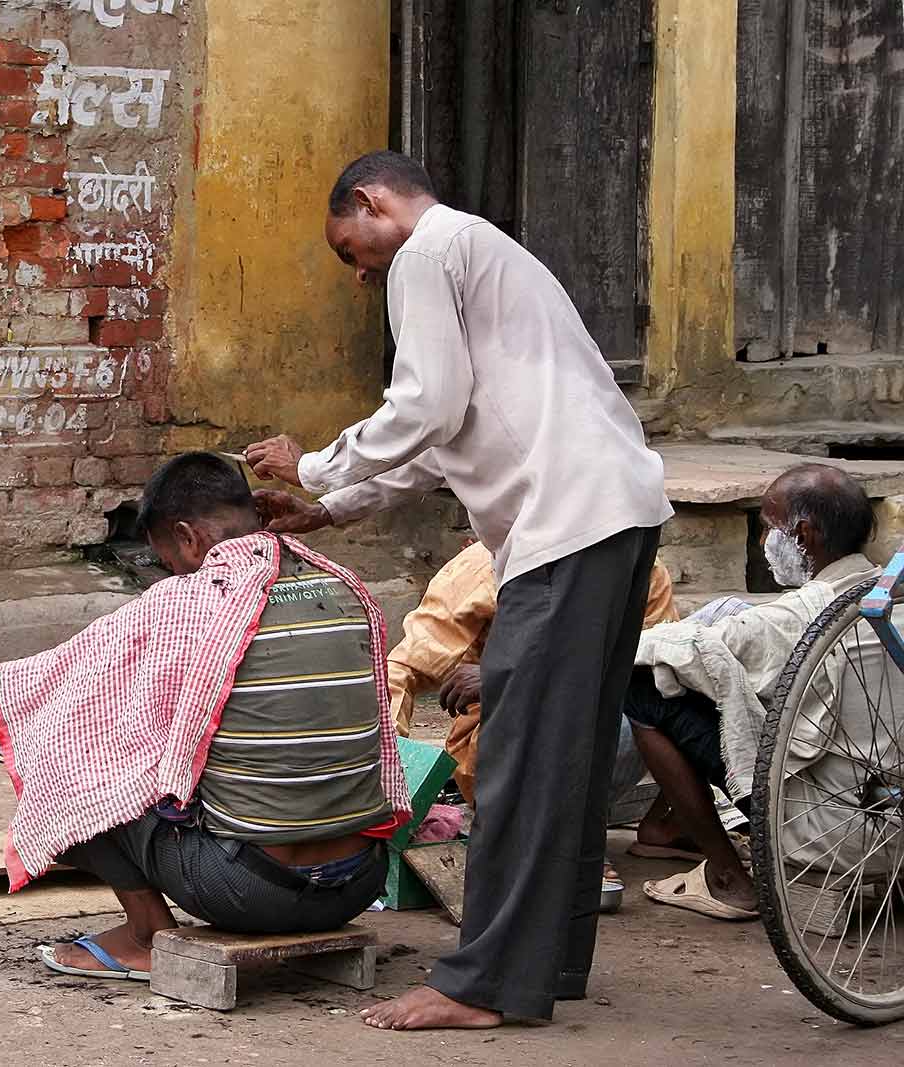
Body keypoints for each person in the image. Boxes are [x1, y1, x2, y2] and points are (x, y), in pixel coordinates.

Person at [246, 150, 673, 1029]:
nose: (362, 274)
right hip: (615, 515)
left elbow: (427, 407)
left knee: (517, 759)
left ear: (370, 203)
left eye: (349, 250)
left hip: (567, 527)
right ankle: (544, 965)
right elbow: (444, 439)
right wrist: (332, 509)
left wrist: (314, 461)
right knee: (566, 759)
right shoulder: (484, 254)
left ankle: (484, 983)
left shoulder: (430, 252)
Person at [0, 453, 410, 979]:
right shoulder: (344, 588)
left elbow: (28, 684)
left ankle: (145, 936)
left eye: (168, 562)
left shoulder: (188, 601)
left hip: (248, 891)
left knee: (67, 752)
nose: (170, 576)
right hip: (358, 883)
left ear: (188, 539)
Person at [629, 465, 893, 920]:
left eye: (770, 528)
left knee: (640, 684)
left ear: (804, 536)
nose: (762, 542)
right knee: (716, 684)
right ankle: (669, 826)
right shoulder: (889, 595)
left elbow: (662, 651)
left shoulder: (797, 617)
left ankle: (727, 877)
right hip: (888, 813)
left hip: (827, 828)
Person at [388, 540, 679, 814]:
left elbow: (657, 668)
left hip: (593, 728)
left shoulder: (641, 564)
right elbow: (403, 670)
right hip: (502, 748)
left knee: (667, 693)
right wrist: (388, 779)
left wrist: (512, 679)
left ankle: (641, 828)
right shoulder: (483, 565)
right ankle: (546, 836)